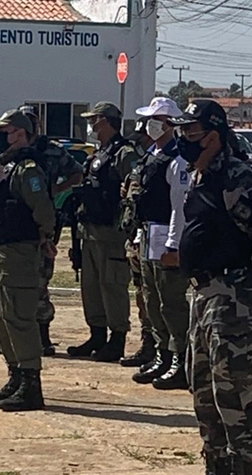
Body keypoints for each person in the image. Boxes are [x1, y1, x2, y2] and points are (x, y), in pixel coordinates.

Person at [168, 99, 252, 475]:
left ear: (212, 136)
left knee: (233, 386)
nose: (182, 138)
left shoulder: (235, 176)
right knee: (202, 385)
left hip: (231, 293)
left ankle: (242, 462)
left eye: (190, 131)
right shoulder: (201, 174)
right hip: (202, 294)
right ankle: (215, 461)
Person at [0, 106, 83, 357]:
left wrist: (53, 192)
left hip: (31, 233)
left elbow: (75, 174)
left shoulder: (42, 156)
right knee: (6, 299)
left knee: (35, 287)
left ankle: (40, 341)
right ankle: (13, 354)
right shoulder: (4, 159)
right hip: (4, 238)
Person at [0, 110, 57, 411]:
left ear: (20, 132)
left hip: (19, 251)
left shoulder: (27, 169)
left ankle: (31, 384)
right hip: (0, 248)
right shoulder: (3, 165)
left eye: (5, 130)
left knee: (20, 316)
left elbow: (42, 208)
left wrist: (46, 236)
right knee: (3, 318)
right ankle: (15, 375)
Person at [66, 102, 140, 362]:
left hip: (112, 232)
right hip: (90, 230)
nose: (91, 125)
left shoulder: (124, 153)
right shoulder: (99, 154)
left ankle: (116, 339)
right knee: (91, 286)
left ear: (107, 121)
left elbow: (134, 188)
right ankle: (96, 334)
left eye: (95, 120)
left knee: (112, 285)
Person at [129, 97, 191, 390]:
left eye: (158, 121)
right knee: (152, 301)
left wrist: (173, 245)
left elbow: (179, 207)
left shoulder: (178, 159)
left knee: (172, 304)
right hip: (148, 233)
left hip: (166, 235)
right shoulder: (152, 154)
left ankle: (180, 359)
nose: (151, 126)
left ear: (170, 125)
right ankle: (162, 353)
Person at [118, 117, 156, 368]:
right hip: (136, 235)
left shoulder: (165, 162)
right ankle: (148, 343)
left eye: (142, 139)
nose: (140, 144)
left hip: (153, 237)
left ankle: (163, 349)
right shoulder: (145, 162)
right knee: (141, 294)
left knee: (155, 297)